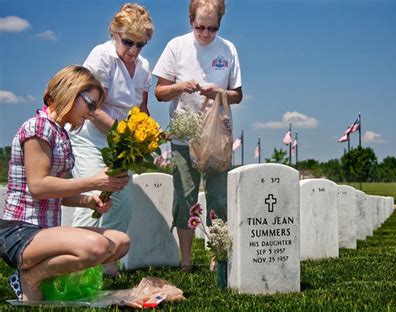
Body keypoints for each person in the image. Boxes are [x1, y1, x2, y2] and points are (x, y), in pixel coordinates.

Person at [0, 65, 131, 301]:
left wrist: (89, 201)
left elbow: (56, 193)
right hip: (20, 232)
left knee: (120, 242)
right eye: (90, 104)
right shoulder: (38, 127)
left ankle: (35, 275)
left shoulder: (61, 133)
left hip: (45, 231)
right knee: (97, 246)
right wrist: (94, 181)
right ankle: (29, 277)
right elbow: (39, 187)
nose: (92, 113)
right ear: (70, 92)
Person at [153, 0, 242, 272]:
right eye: (199, 26)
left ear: (220, 24)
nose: (205, 34)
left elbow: (237, 95)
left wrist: (219, 92)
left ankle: (217, 256)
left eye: (212, 28)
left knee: (218, 198)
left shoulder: (228, 49)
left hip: (216, 135)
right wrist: (180, 86)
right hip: (183, 133)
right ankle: (187, 259)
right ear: (190, 19)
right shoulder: (176, 46)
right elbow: (159, 92)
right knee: (185, 198)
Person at [69, 3, 154, 275]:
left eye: (140, 45)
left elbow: (142, 109)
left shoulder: (143, 66)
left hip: (120, 144)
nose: (133, 50)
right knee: (94, 198)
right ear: (114, 33)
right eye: (128, 42)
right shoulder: (101, 57)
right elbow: (92, 108)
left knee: (123, 202)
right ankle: (76, 265)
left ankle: (107, 261)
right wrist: (125, 135)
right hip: (90, 138)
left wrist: (146, 137)